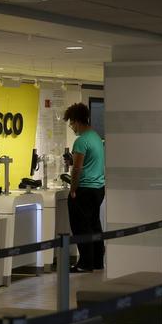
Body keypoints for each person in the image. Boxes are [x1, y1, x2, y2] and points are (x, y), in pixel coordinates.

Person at [63, 103, 105, 273]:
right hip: (98, 189)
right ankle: (97, 261)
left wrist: (73, 189)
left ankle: (85, 263)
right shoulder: (95, 137)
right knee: (94, 224)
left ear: (76, 121)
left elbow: (77, 169)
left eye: (71, 124)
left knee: (80, 226)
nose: (72, 127)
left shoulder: (81, 141)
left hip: (84, 190)